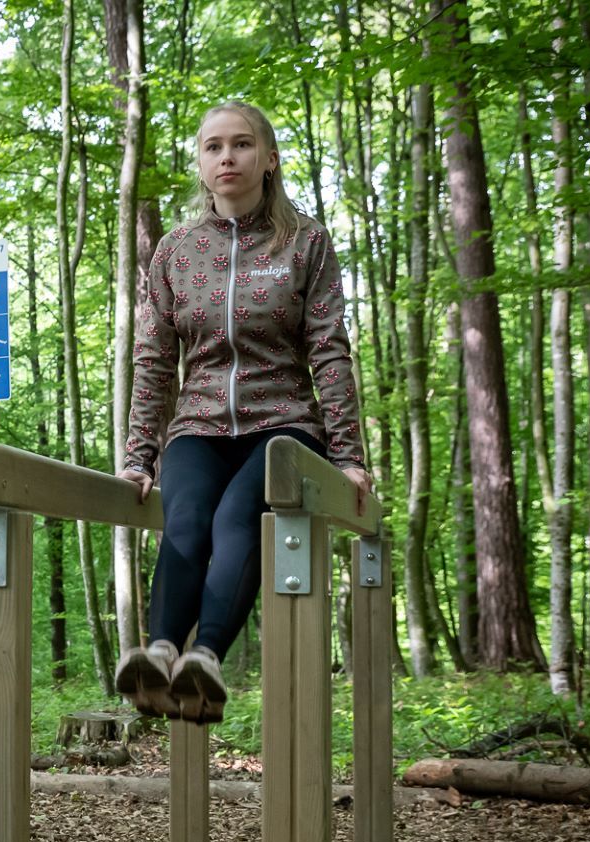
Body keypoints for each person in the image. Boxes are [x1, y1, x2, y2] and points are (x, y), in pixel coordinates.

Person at [113, 101, 372, 724]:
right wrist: (137, 458)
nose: (226, 157)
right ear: (201, 164)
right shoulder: (175, 251)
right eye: (212, 147)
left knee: (236, 516)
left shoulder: (305, 242)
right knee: (188, 515)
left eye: (241, 145)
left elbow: (329, 351)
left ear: (269, 159)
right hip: (198, 424)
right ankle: (161, 653)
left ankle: (205, 657)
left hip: (282, 422)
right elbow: (152, 360)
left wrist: (349, 458)